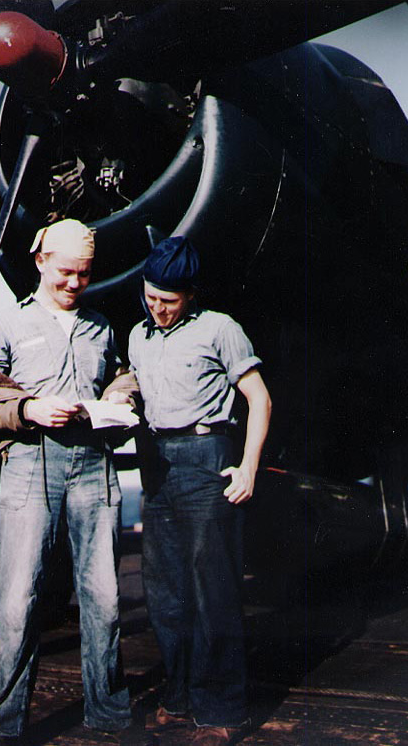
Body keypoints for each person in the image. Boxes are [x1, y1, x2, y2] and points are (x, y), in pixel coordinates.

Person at [0, 219, 134, 741]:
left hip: (93, 469)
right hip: (31, 467)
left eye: (83, 274)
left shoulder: (101, 326)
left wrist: (123, 394)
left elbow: (121, 374)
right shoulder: (8, 324)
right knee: (17, 600)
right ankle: (4, 725)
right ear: (40, 262)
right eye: (65, 272)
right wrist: (29, 407)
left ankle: (108, 715)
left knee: (104, 597)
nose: (74, 284)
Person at [129, 236, 272, 746]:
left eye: (168, 301)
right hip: (158, 467)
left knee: (214, 590)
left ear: (190, 294)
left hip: (208, 457)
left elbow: (259, 398)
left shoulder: (220, 329)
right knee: (165, 594)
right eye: (151, 298)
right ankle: (181, 695)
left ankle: (223, 712)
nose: (158, 309)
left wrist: (248, 466)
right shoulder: (138, 336)